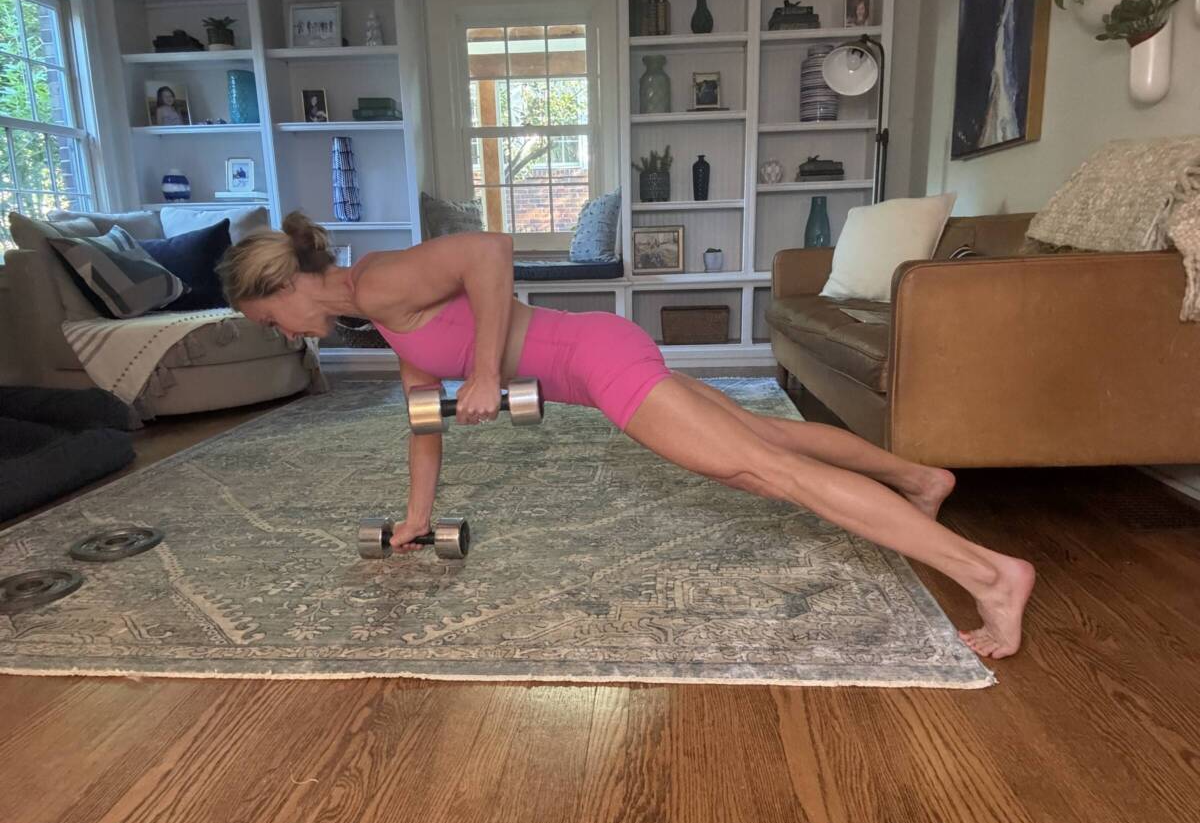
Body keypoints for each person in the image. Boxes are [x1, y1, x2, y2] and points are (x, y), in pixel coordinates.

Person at [219, 213, 1036, 659]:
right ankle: (921, 481)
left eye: (268, 318)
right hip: (598, 361)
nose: (281, 331)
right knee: (761, 440)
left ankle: (990, 573)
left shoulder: (381, 281)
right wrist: (416, 517)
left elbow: (488, 251)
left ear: (285, 286)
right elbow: (422, 427)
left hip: (600, 363)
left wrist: (481, 370)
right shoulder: (385, 325)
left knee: (760, 469)